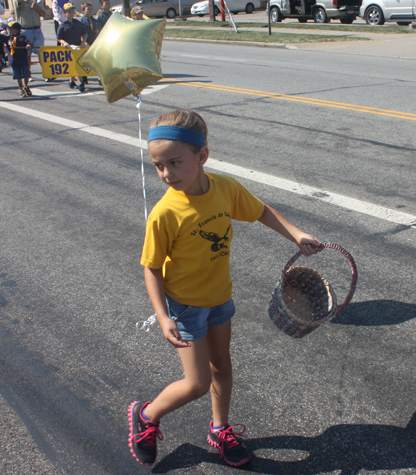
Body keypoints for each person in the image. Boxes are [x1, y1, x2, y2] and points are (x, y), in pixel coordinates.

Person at [128, 110, 324, 467]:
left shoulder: (225, 189)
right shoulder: (165, 213)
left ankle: (220, 429)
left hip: (219, 297)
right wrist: (162, 315)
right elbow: (152, 267)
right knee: (197, 383)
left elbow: (260, 210)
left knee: (223, 367)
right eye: (158, 165)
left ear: (202, 156)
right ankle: (147, 415)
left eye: (174, 162)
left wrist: (295, 233)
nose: (166, 174)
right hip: (185, 305)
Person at [0, 20, 32, 97]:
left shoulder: (22, 37)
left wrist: (28, 46)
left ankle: (26, 86)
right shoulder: (8, 38)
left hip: (23, 60)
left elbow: (28, 42)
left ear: (16, 29)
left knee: (26, 74)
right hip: (14, 61)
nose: (8, 30)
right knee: (18, 76)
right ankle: (21, 89)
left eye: (10, 28)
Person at [57, 2, 87, 92]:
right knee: (74, 65)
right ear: (64, 13)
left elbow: (85, 33)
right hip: (68, 48)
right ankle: (80, 83)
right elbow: (59, 38)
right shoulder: (63, 25)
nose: (71, 13)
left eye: (72, 11)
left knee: (76, 64)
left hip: (77, 47)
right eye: (69, 12)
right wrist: (64, 43)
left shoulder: (77, 23)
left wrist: (83, 42)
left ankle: (71, 81)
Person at [11, 0, 45, 77]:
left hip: (37, 30)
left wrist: (37, 8)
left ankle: (46, 73)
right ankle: (27, 74)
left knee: (41, 52)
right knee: (27, 55)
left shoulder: (36, 2)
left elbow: (44, 14)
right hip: (25, 31)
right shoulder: (19, 2)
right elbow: (17, 4)